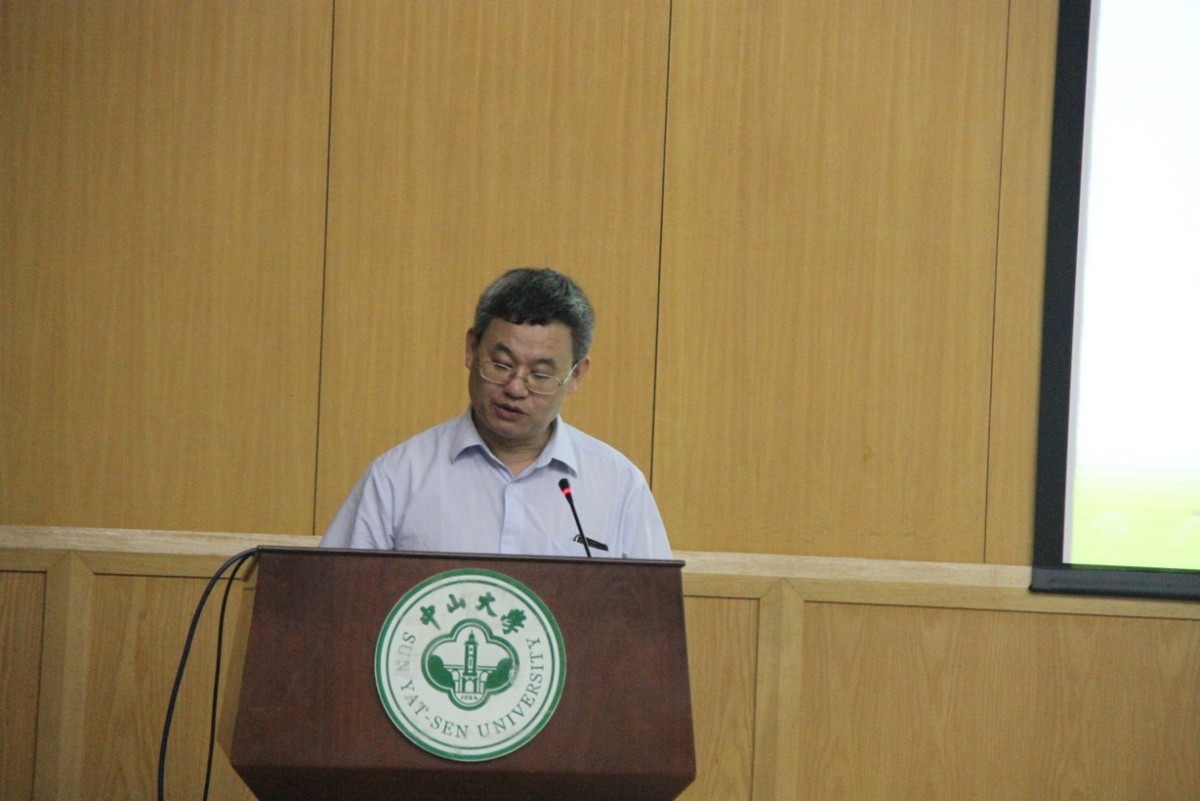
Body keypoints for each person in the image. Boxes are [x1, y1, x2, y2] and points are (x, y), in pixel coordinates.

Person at [320, 267, 672, 559]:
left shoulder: (618, 486)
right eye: (501, 365)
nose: (516, 388)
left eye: (540, 375)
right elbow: (339, 599)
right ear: (471, 349)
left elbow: (648, 613)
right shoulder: (398, 477)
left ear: (575, 376)